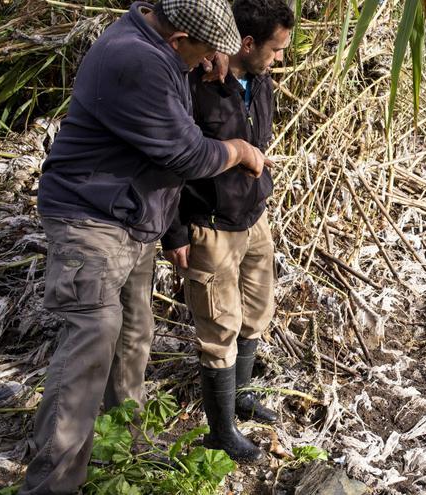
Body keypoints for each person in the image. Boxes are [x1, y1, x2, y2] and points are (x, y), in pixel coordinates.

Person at [19, 0, 273, 492]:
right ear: (178, 40)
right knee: (90, 345)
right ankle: (52, 483)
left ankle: (122, 439)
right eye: (202, 51)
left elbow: (183, 74)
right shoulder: (136, 58)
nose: (210, 61)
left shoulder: (158, 40)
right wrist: (240, 150)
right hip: (89, 220)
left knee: (134, 332)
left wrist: (205, 57)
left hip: (133, 219)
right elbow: (187, 152)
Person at [161, 0, 293, 463]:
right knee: (219, 327)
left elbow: (260, 141)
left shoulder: (259, 82)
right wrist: (174, 232)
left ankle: (240, 397)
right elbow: (171, 163)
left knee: (256, 313)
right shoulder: (194, 84)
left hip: (254, 219)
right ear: (247, 42)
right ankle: (221, 432)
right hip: (209, 227)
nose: (280, 59)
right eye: (275, 50)